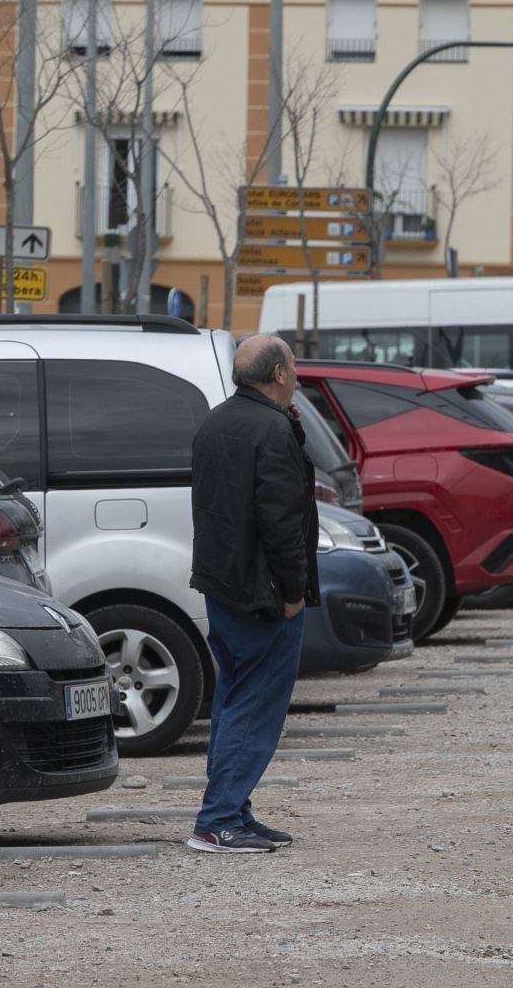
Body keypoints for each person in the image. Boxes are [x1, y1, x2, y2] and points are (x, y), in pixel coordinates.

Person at [185, 334, 319, 854]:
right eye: (294, 364)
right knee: (255, 706)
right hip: (262, 592)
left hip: (224, 584)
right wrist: (293, 591)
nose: (298, 373)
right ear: (279, 374)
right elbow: (282, 522)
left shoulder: (217, 420)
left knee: (234, 699)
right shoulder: (272, 428)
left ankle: (233, 810)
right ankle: (218, 820)